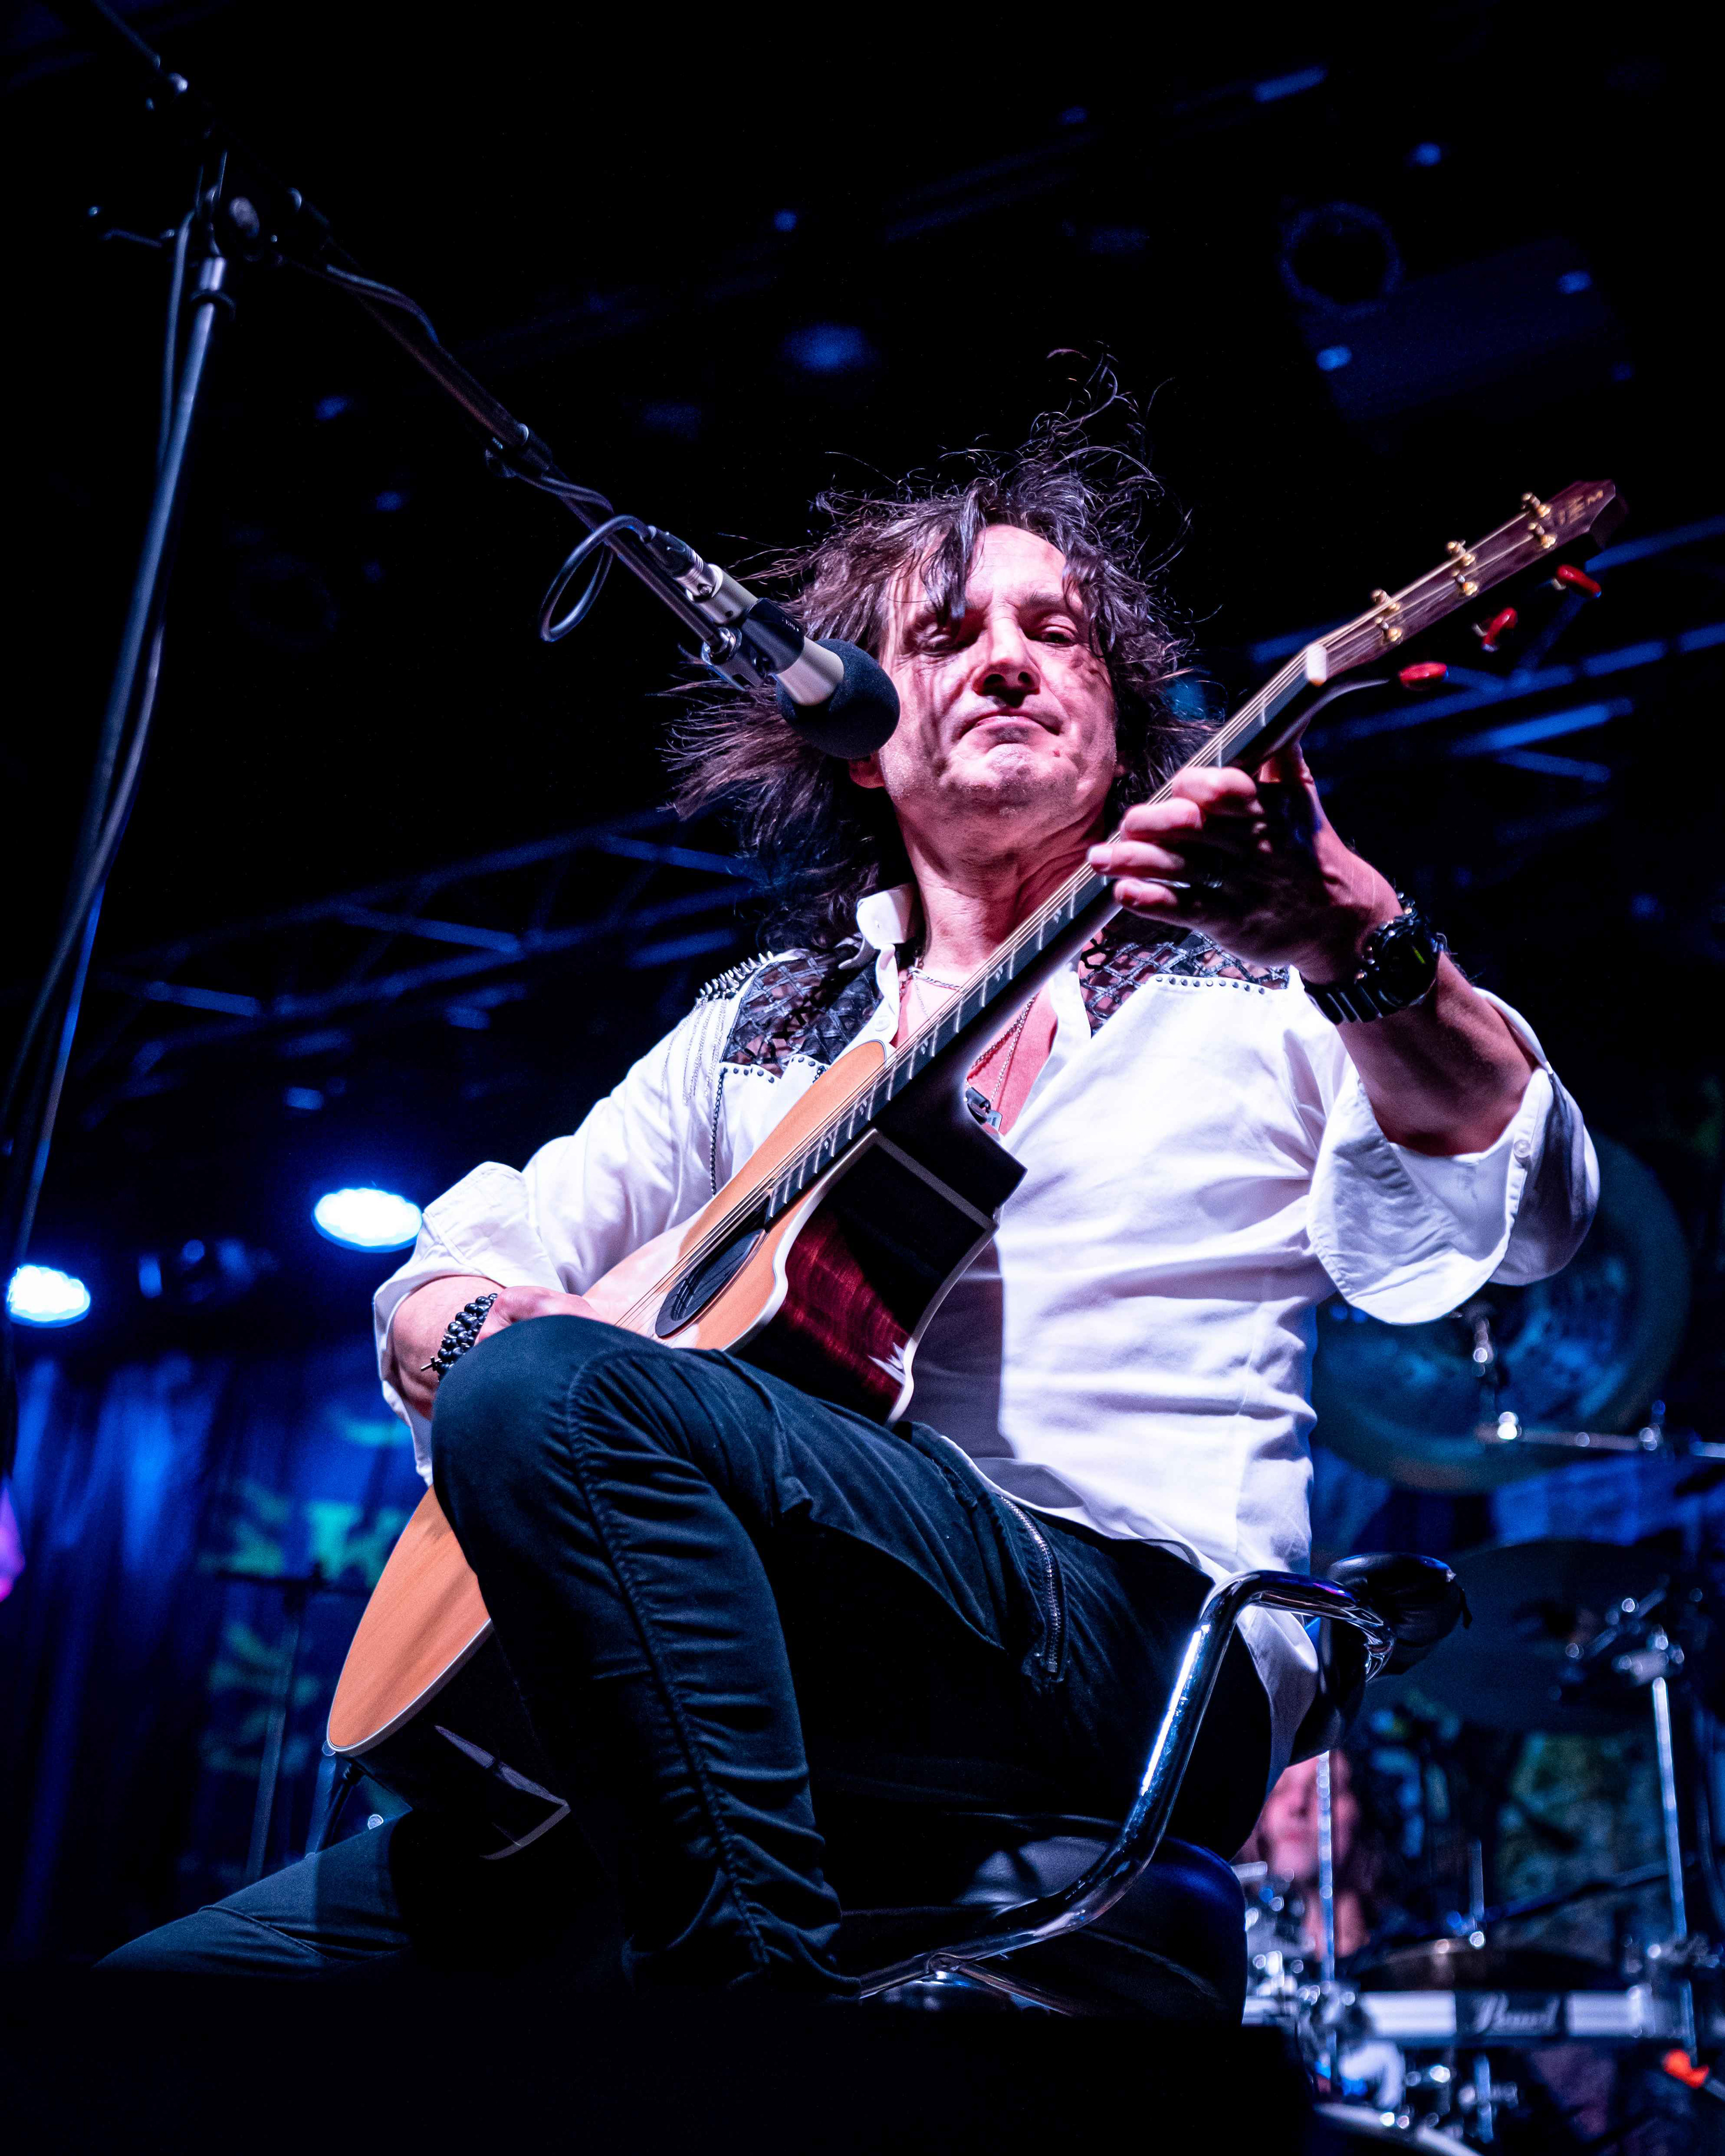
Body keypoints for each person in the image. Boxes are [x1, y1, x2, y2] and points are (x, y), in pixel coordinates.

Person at [105, 427, 1594, 1994]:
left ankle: (761, 2047)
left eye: (1058, 632)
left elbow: (1529, 1215)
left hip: (1130, 1649)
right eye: (947, 637)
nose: (1008, 661)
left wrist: (1353, 933)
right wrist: (481, 1331)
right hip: (767, 1687)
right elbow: (446, 1275)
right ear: (864, 739)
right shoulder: (761, 1025)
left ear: (1116, 716)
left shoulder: (1252, 980)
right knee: (144, 2023)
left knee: (562, 1398)